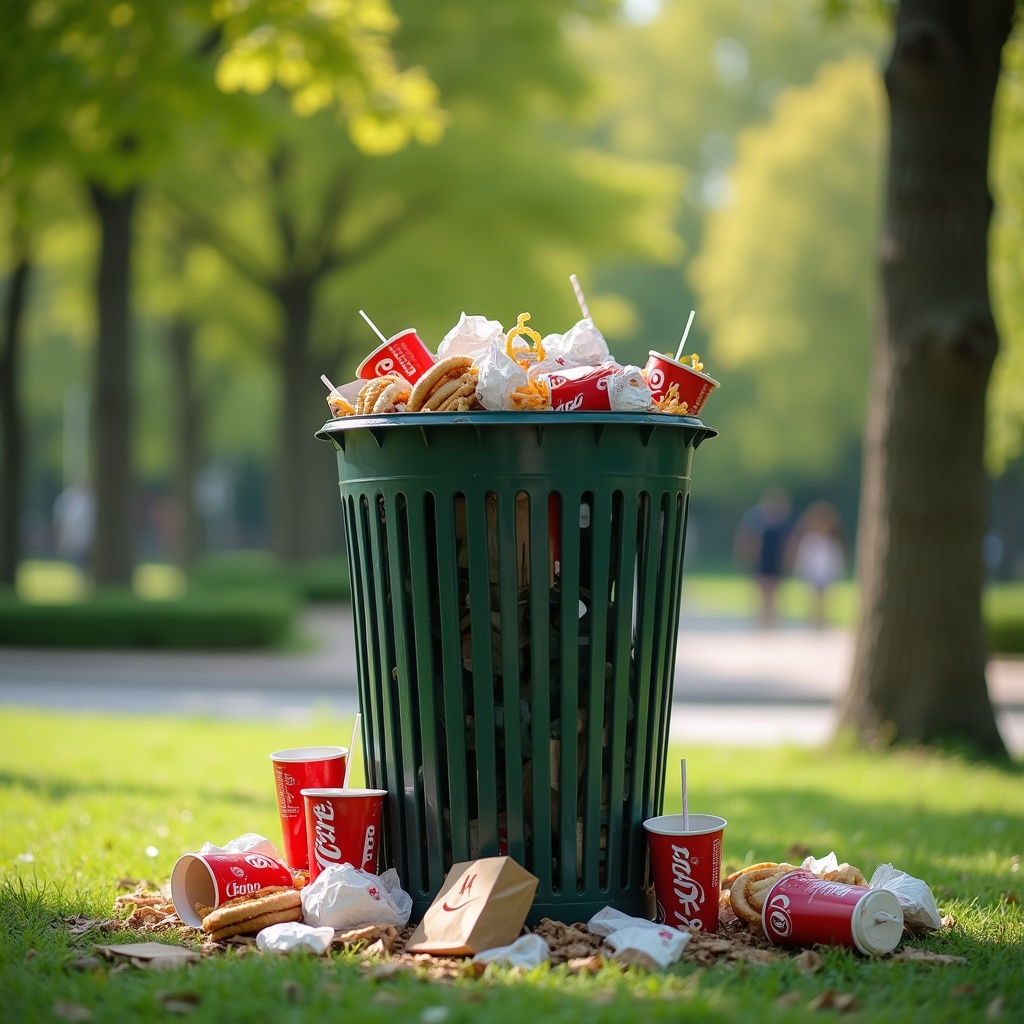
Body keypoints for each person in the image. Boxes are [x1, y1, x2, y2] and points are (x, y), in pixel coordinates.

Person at [733, 488, 793, 628]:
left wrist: (788, 560)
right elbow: (746, 537)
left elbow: (788, 542)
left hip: (776, 559)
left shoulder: (784, 520)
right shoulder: (755, 518)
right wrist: (744, 556)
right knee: (761, 590)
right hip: (761, 559)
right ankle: (761, 621)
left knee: (775, 591)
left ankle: (771, 621)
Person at [788, 500, 847, 628]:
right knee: (812, 597)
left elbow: (835, 559)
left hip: (826, 573)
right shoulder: (808, 539)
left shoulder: (832, 541)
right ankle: (814, 620)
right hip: (811, 573)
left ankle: (822, 621)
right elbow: (803, 557)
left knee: (825, 598)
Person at [53, 479, 95, 574]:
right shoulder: (73, 499)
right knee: (81, 567)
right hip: (77, 542)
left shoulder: (89, 499)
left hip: (86, 542)